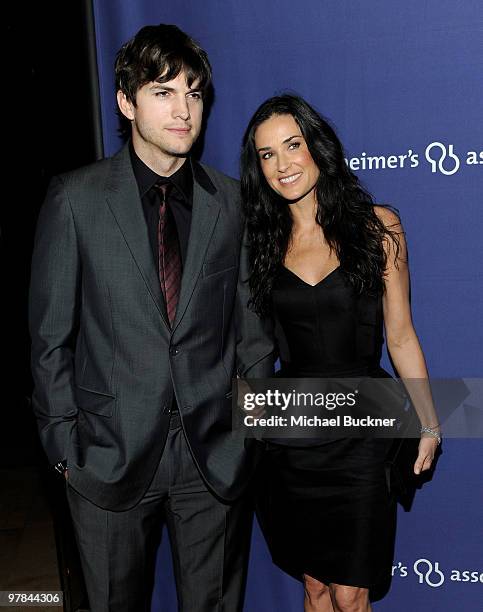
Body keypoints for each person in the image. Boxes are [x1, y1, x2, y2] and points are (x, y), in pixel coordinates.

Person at [29, 24, 274, 612]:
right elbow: (49, 339)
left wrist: (249, 433)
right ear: (125, 101)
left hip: (213, 456)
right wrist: (64, 447)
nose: (183, 109)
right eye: (163, 92)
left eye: (193, 93)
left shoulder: (232, 202)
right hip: (106, 456)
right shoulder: (75, 200)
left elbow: (254, 336)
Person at [240, 94, 440, 612]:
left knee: (351, 592)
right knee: (315, 586)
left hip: (362, 433)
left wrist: (430, 423)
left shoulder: (378, 227)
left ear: (317, 148)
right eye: (267, 155)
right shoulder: (260, 240)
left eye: (292, 146)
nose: (283, 165)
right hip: (292, 436)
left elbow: (400, 335)